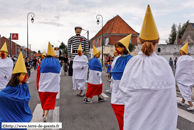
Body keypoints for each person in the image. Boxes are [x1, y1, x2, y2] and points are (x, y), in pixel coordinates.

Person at [119, 5, 177, 130]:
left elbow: (123, 89)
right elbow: (170, 99)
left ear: (139, 41)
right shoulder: (163, 64)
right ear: (158, 40)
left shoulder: (132, 64)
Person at [0, 52, 32, 128]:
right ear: (17, 76)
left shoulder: (25, 86)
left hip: (21, 114)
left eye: (26, 74)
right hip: (12, 117)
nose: (26, 76)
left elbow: (27, 97)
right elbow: (2, 95)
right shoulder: (10, 88)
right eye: (23, 74)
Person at [111, 34, 133, 130]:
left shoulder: (131, 59)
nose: (116, 49)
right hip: (116, 88)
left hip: (126, 89)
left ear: (123, 47)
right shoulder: (117, 59)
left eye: (118, 47)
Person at [38, 43, 61, 122]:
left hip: (43, 86)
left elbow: (39, 71)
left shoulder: (43, 61)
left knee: (44, 100)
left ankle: (44, 112)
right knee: (49, 101)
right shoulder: (56, 62)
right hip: (52, 87)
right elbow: (58, 71)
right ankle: (45, 115)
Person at [176, 42, 194, 110]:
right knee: (186, 90)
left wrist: (176, 77)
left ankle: (191, 105)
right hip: (190, 77)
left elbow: (179, 69)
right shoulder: (191, 59)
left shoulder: (181, 59)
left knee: (184, 90)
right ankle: (182, 102)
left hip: (183, 78)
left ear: (182, 51)